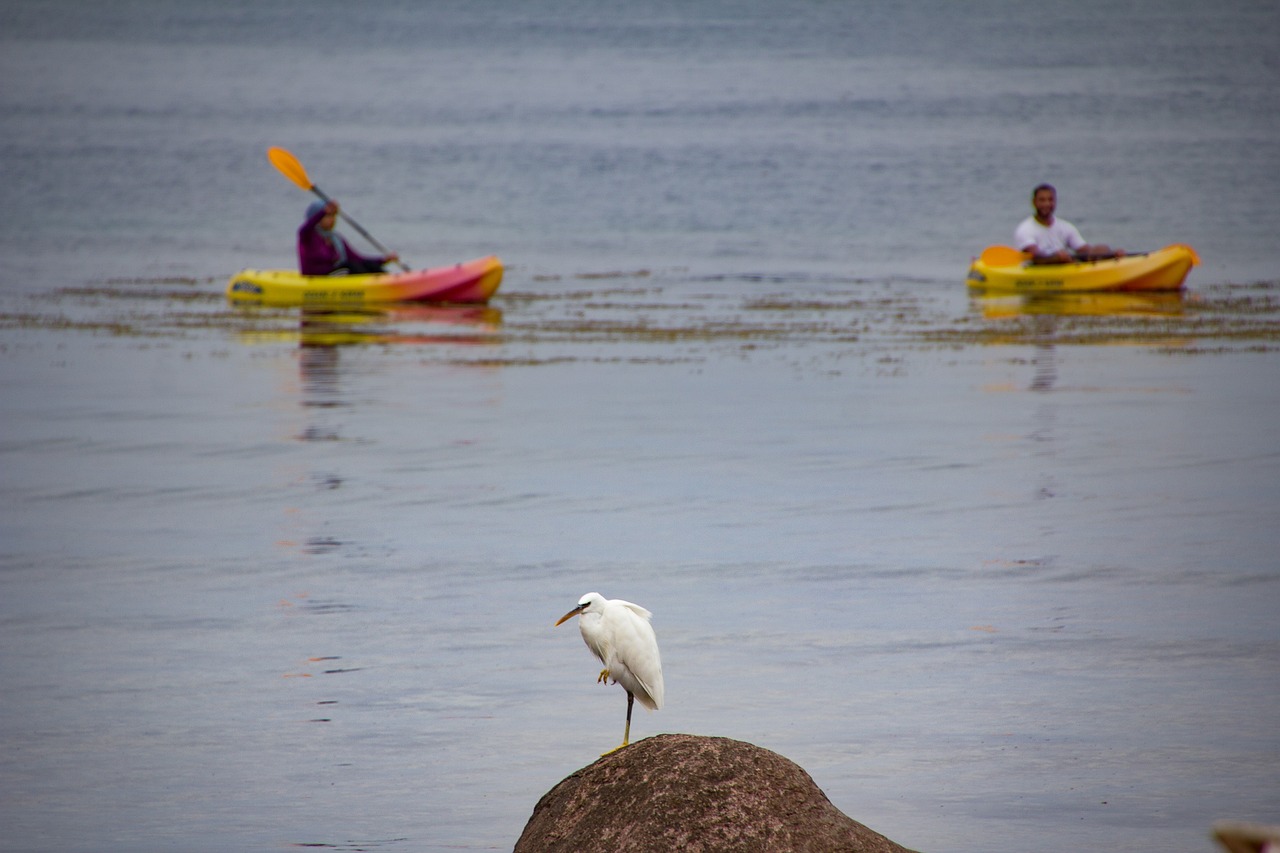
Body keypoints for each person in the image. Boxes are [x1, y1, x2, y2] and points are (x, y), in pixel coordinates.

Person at [1014, 184, 1124, 265]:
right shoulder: (1025, 229)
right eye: (1042, 200)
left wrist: (1111, 254)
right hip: (1039, 267)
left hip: (1064, 264)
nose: (1047, 204)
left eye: (1050, 200)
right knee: (1058, 258)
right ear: (1034, 202)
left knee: (1102, 248)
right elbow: (1035, 256)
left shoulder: (1065, 226)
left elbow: (1084, 250)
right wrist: (1056, 258)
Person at [298, 199, 399, 275]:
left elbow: (358, 259)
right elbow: (305, 228)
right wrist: (323, 211)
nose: (332, 219)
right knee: (350, 266)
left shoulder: (336, 239)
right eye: (328, 216)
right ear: (317, 218)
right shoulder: (307, 236)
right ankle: (370, 288)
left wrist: (383, 260)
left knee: (366, 265)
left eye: (333, 216)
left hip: (336, 273)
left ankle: (389, 281)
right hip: (318, 277)